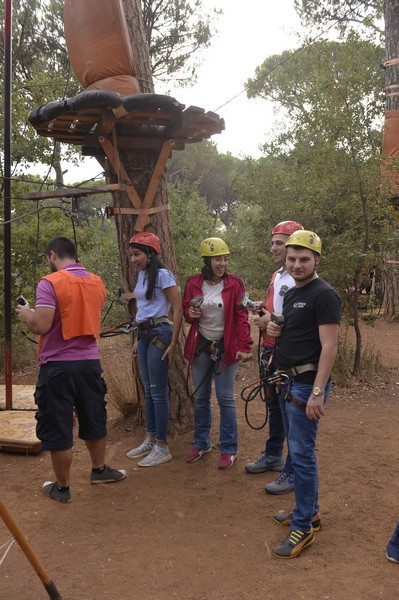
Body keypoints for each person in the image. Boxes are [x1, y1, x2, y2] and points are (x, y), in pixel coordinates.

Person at [16, 236, 127, 504]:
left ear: (53, 255)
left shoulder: (50, 282)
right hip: (89, 362)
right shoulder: (96, 281)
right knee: (93, 415)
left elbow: (41, 325)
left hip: (57, 366)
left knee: (58, 424)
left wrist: (26, 314)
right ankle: (99, 469)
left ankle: (62, 488)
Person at [266, 230, 340, 558]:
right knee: (297, 453)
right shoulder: (295, 293)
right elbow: (295, 329)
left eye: (304, 259)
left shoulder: (323, 294)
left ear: (317, 260)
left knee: (303, 455)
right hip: (287, 380)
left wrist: (317, 392)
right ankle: (311, 511)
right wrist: (273, 325)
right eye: (292, 258)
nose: (296, 264)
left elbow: (329, 347)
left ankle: (304, 526)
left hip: (305, 385)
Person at [182, 237, 253, 470]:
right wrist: (190, 313)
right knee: (201, 397)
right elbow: (186, 309)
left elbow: (241, 315)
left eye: (225, 259)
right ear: (207, 260)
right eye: (217, 259)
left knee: (225, 398)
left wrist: (245, 345)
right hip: (201, 345)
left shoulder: (234, 284)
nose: (222, 263)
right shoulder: (193, 282)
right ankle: (202, 443)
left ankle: (229, 448)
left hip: (226, 346)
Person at [245, 220, 304, 498]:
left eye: (279, 242)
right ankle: (272, 455)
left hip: (287, 353)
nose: (274, 248)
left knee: (289, 412)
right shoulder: (278, 275)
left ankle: (292, 470)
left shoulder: (299, 278)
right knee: (275, 406)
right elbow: (278, 308)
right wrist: (262, 307)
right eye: (274, 242)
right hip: (270, 349)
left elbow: (302, 320)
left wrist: (272, 319)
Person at [126, 231, 183, 467]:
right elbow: (143, 309)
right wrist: (136, 339)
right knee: (149, 391)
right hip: (145, 335)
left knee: (158, 392)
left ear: (150, 254)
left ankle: (162, 445)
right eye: (132, 255)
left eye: (137, 254)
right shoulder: (142, 276)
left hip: (160, 334)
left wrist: (173, 343)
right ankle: (150, 437)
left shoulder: (162, 275)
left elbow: (178, 309)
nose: (133, 259)